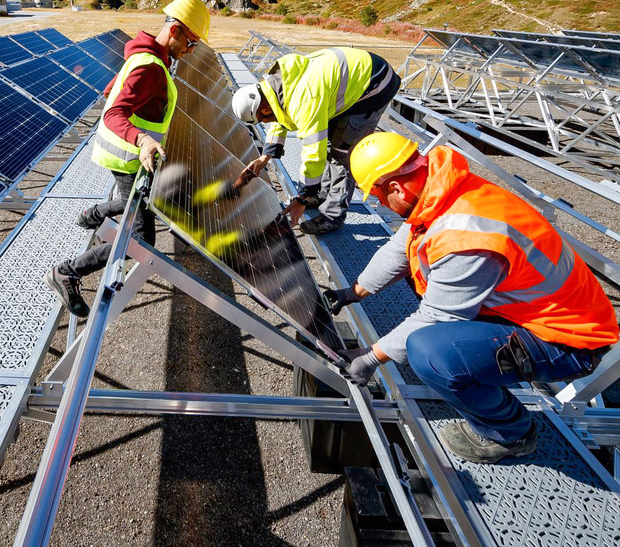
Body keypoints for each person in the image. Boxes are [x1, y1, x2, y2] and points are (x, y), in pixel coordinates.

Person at [330, 131, 618, 463]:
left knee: (429, 351)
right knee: (420, 271)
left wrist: (369, 358)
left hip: (568, 341)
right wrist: (354, 292)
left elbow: (437, 317)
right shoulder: (444, 190)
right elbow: (401, 247)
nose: (379, 204)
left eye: (377, 197)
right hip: (543, 311)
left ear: (395, 187)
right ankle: (481, 363)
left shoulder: (466, 235)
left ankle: (511, 432)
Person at [45, 0, 211, 317]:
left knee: (143, 199)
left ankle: (93, 214)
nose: (191, 51)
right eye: (190, 42)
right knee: (140, 241)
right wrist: (142, 138)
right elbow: (114, 113)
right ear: (174, 30)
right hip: (129, 158)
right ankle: (67, 272)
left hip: (131, 157)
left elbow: (113, 92)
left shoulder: (149, 57)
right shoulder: (150, 67)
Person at [230, 48, 400, 234]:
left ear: (263, 110)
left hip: (375, 84)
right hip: (350, 80)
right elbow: (281, 117)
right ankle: (320, 195)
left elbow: (313, 153)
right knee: (328, 143)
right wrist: (265, 157)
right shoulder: (274, 88)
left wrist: (302, 198)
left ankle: (332, 216)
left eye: (263, 120)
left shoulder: (304, 99)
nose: (266, 123)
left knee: (341, 154)